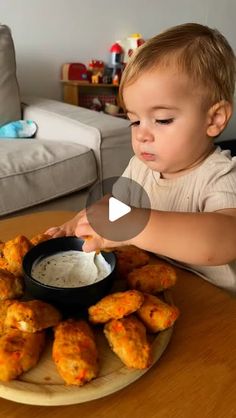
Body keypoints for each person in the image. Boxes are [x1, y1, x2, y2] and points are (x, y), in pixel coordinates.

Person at [46, 23, 236, 292]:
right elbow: (116, 204)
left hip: (217, 311)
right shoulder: (141, 166)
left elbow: (222, 240)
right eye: (134, 121)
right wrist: (86, 219)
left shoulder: (221, 175)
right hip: (159, 290)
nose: (142, 135)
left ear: (214, 118)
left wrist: (136, 224)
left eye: (162, 119)